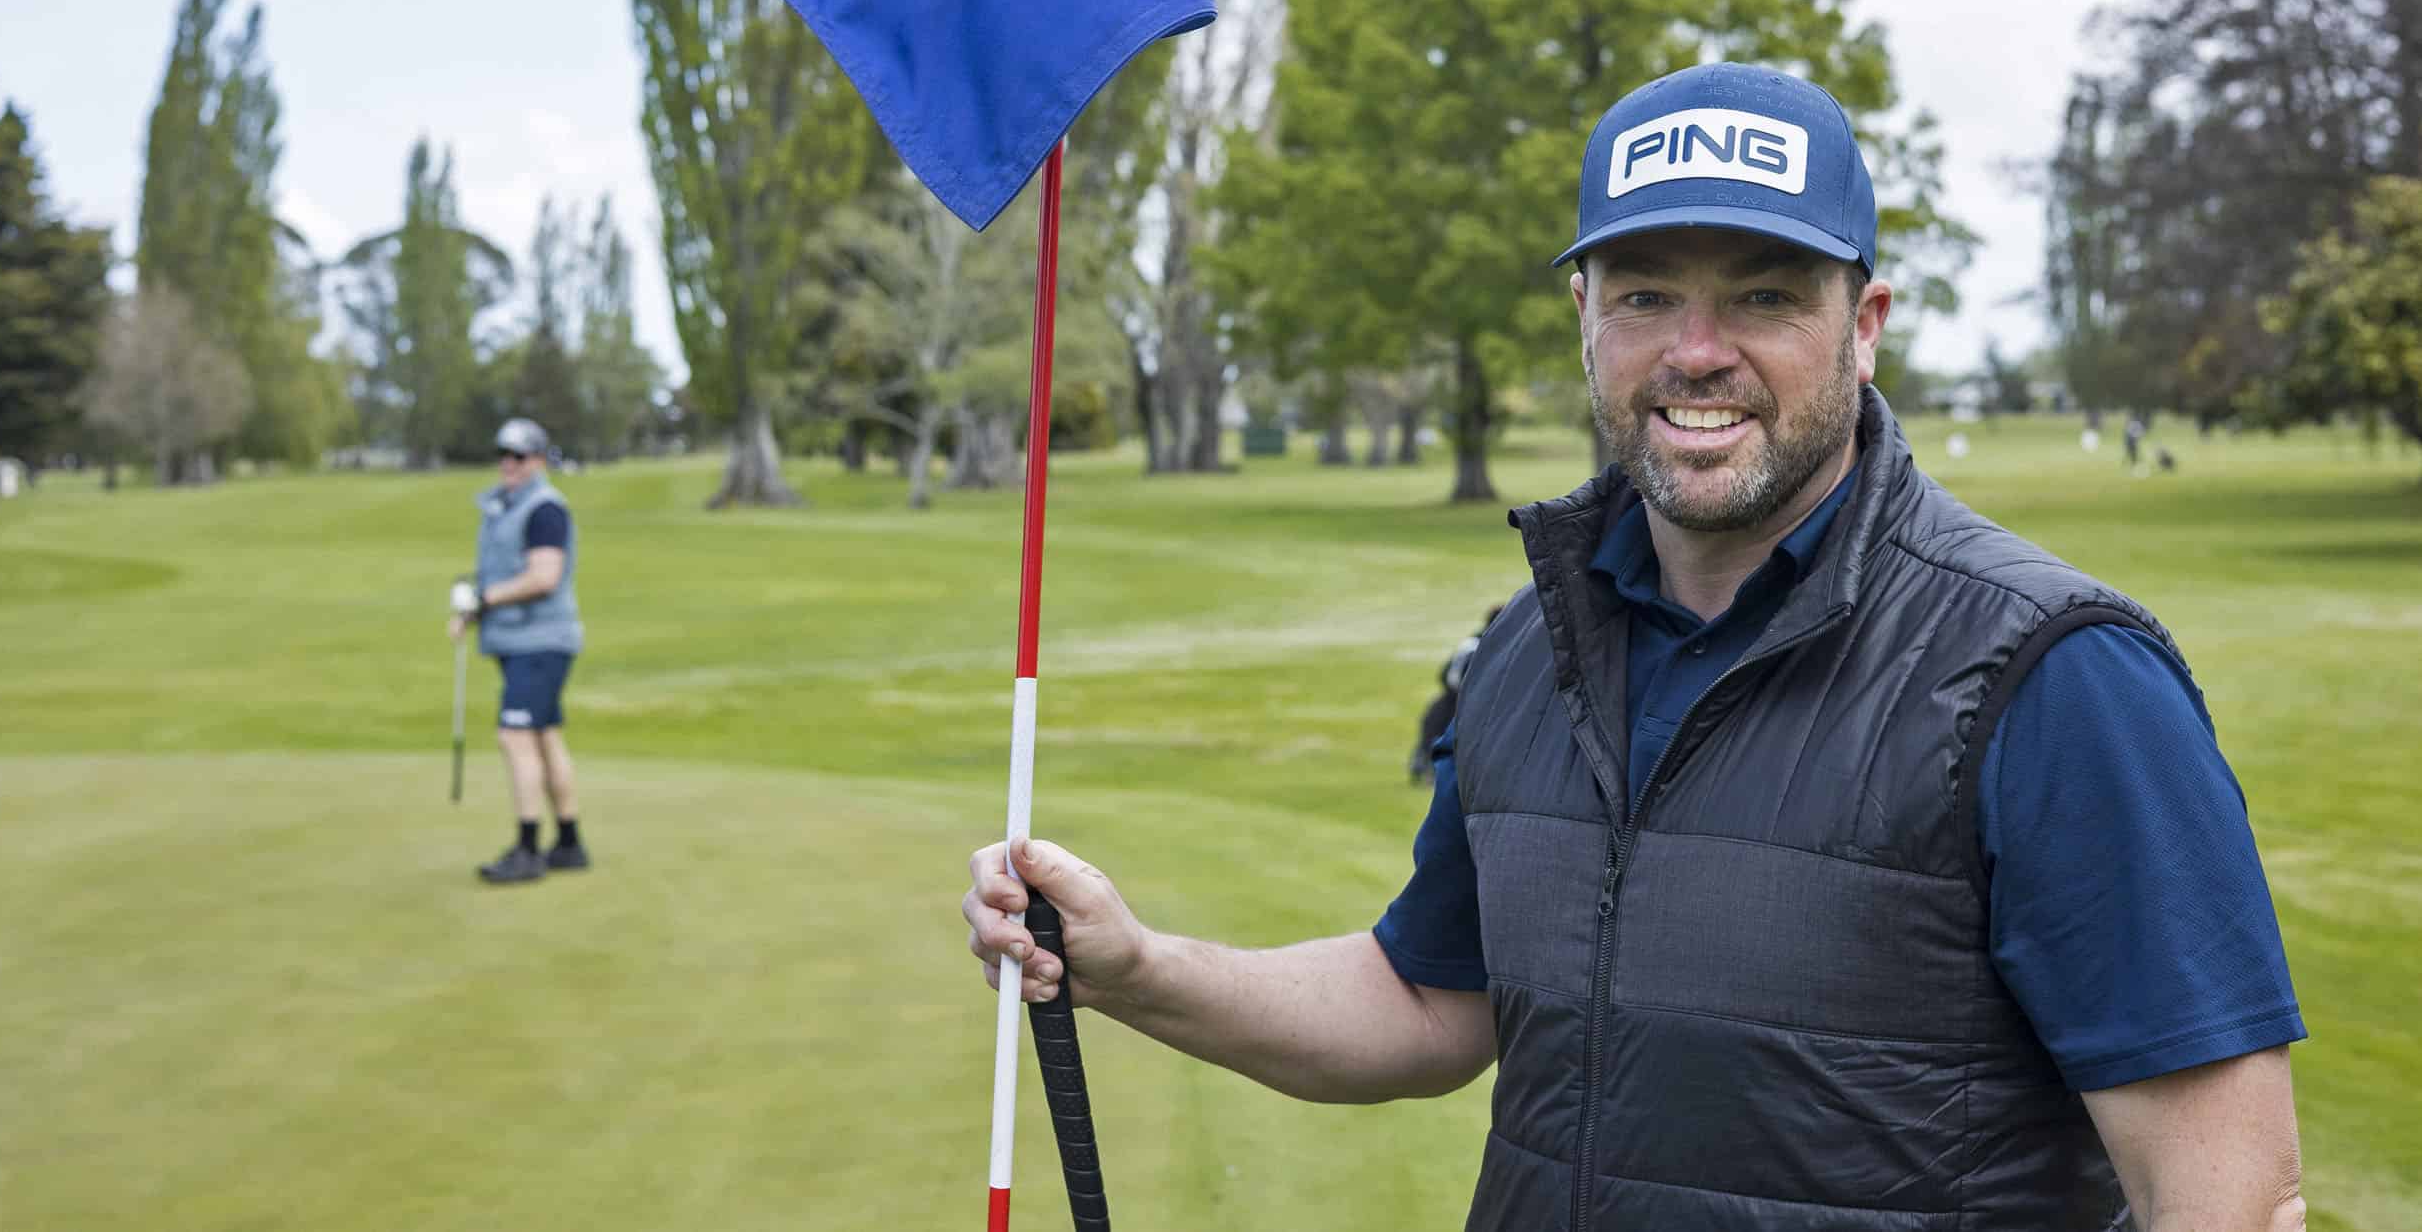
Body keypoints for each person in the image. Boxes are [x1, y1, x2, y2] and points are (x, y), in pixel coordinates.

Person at [962, 64, 2307, 1228]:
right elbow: (1426, 999)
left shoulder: (2056, 675)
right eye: (1648, 293)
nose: (1698, 351)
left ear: (1868, 323)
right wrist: (1137, 964)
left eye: (1767, 296)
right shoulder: (1532, 647)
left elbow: (2230, 1193)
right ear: (1586, 318)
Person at [448, 417, 590, 885]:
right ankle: (568, 843)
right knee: (544, 735)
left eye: (519, 456)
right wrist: (473, 608)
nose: (508, 464)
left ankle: (528, 850)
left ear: (538, 460)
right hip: (518, 641)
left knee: (516, 735)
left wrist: (485, 600)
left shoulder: (545, 509)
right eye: (503, 455)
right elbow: (500, 574)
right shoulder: (503, 507)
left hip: (541, 641)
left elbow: (543, 577)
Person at [1409, 605, 1502, 783]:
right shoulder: (1486, 646)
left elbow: (1445, 673)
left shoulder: (1471, 642)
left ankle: (1424, 761)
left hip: (1450, 695)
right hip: (1465, 700)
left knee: (1434, 725)